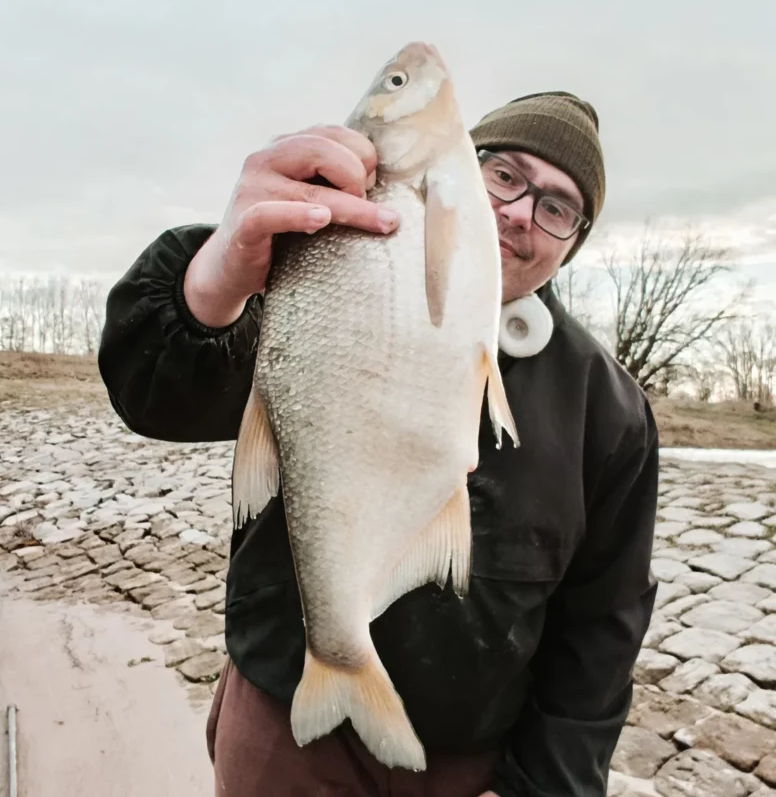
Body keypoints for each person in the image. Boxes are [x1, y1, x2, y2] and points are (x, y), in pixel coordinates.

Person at [98, 91, 659, 797]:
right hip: (283, 721)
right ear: (455, 171)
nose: (519, 211)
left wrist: (545, 788)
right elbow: (154, 394)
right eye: (504, 175)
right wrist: (214, 276)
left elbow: (602, 630)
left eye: (556, 207)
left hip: (467, 764)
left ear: (571, 244)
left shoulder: (610, 411)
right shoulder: (327, 272)